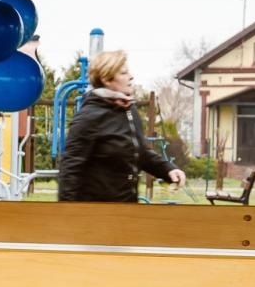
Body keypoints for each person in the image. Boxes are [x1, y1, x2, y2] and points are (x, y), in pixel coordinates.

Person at [58, 50, 185, 202]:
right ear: (106, 79)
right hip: (95, 213)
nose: (131, 76)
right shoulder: (88, 117)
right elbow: (70, 169)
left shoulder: (129, 110)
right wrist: (66, 215)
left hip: (126, 208)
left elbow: (141, 153)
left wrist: (168, 169)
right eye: (124, 73)